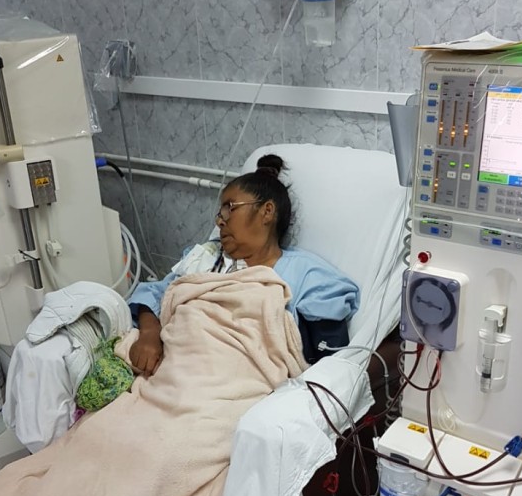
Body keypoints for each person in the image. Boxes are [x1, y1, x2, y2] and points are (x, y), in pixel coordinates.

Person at [128, 154, 360, 375]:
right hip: (178, 367)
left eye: (229, 208)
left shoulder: (305, 275)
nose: (220, 221)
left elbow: (330, 363)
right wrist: (149, 334)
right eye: (219, 213)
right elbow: (154, 294)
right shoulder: (207, 257)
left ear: (267, 211)